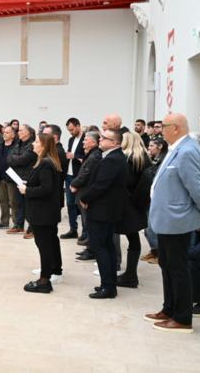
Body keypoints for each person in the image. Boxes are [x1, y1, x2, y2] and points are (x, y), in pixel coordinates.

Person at [145, 113, 200, 333]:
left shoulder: (187, 151)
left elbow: (195, 186)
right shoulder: (177, 148)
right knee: (167, 264)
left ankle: (183, 318)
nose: (159, 130)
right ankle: (169, 309)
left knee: (178, 268)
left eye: (163, 126)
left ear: (175, 128)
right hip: (168, 219)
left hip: (178, 219)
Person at [78, 128, 128, 299]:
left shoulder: (113, 159)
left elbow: (101, 185)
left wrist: (85, 198)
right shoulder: (113, 157)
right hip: (105, 209)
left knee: (101, 247)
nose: (100, 139)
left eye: (104, 138)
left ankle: (108, 286)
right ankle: (108, 283)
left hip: (102, 210)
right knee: (106, 246)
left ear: (114, 143)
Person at [19, 133, 63, 293]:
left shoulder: (45, 163)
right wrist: (28, 184)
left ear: (44, 146)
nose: (33, 144)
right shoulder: (46, 161)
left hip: (43, 213)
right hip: (46, 212)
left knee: (44, 245)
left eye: (36, 142)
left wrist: (27, 190)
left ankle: (44, 281)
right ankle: (53, 270)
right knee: (49, 243)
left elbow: (46, 188)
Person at [115, 132, 152, 288]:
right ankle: (131, 274)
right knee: (133, 238)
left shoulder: (129, 159)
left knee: (132, 238)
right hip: (138, 204)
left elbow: (126, 182)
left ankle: (130, 275)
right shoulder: (144, 158)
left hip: (129, 204)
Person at [70, 131, 103, 261]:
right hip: (83, 191)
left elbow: (86, 174)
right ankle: (90, 248)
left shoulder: (95, 156)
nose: (83, 142)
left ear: (93, 143)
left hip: (86, 192)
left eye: (86, 140)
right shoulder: (91, 154)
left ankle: (92, 250)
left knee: (89, 223)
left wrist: (74, 183)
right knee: (86, 222)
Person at [6, 124, 37, 234]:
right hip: (18, 177)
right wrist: (17, 159)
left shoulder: (32, 144)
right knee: (19, 203)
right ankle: (19, 225)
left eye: (21, 130)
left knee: (29, 204)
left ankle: (32, 228)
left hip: (28, 177)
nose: (18, 132)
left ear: (28, 132)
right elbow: (8, 158)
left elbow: (24, 159)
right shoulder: (18, 143)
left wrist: (16, 159)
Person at [62, 118, 85, 239]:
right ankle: (73, 229)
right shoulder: (71, 139)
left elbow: (89, 157)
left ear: (78, 126)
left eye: (72, 130)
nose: (70, 132)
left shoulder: (86, 139)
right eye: (69, 130)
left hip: (80, 176)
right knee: (70, 204)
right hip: (69, 175)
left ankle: (85, 232)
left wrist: (74, 156)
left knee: (81, 204)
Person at [0, 125, 18, 229]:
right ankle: (4, 222)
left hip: (11, 178)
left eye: (7, 132)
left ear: (13, 135)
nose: (4, 134)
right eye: (4, 132)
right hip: (0, 176)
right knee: (2, 201)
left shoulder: (16, 146)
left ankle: (17, 223)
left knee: (13, 202)